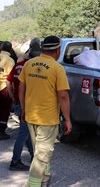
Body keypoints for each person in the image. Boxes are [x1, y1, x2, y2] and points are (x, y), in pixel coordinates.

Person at [19, 35, 72, 187]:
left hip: (31, 116)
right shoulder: (57, 68)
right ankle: (33, 184)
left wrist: (23, 109)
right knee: (42, 156)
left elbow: (22, 88)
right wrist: (67, 119)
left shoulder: (29, 64)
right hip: (47, 120)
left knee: (40, 153)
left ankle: (45, 179)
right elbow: (63, 96)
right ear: (57, 50)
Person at [7, 39, 41, 171]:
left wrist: (12, 97)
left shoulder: (18, 65)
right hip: (27, 105)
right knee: (23, 133)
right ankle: (15, 161)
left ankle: (33, 156)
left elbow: (8, 82)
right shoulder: (30, 67)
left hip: (18, 103)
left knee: (27, 132)